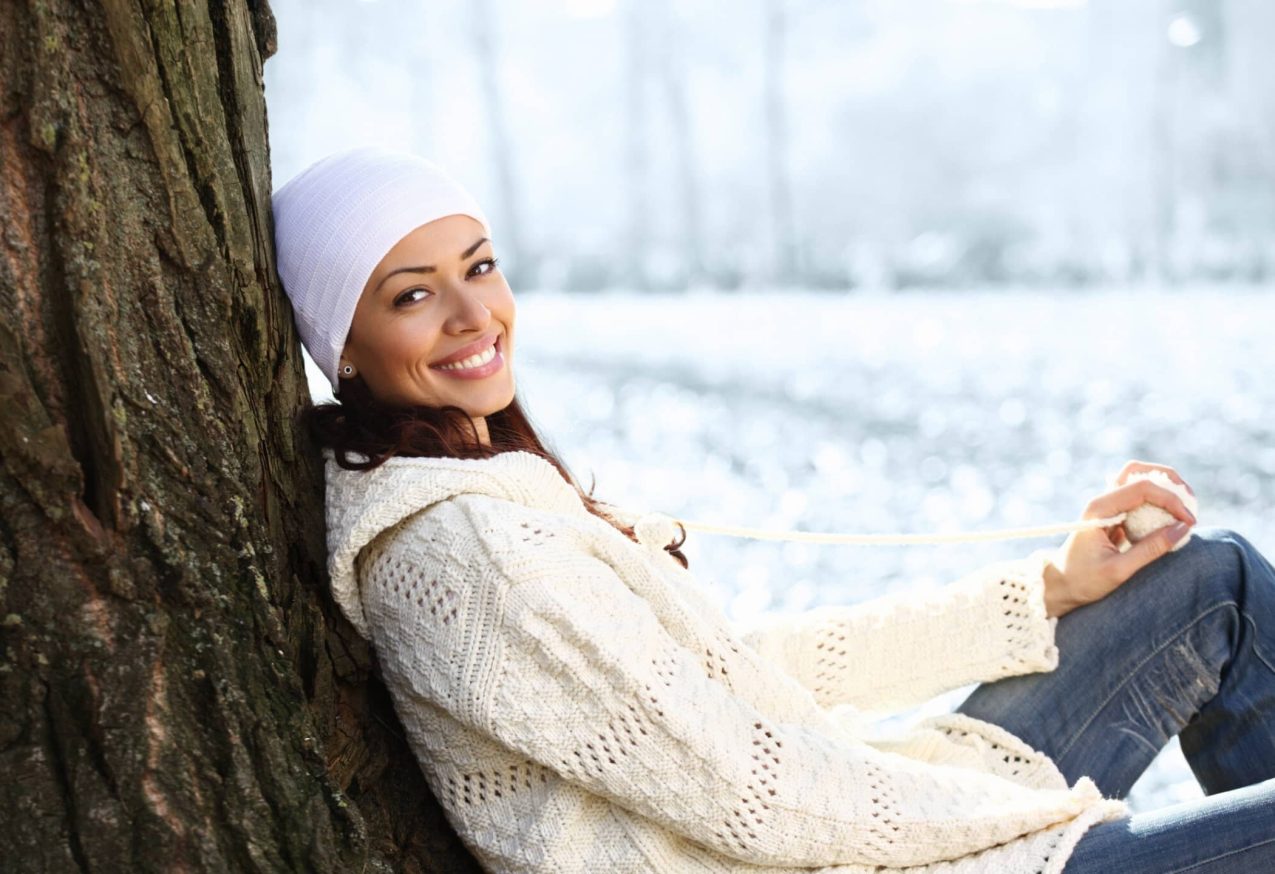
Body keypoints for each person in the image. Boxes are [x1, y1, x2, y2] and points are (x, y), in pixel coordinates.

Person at [270, 145, 1275, 873]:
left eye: (478, 267)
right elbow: (761, 795)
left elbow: (742, 682)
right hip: (848, 847)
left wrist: (1047, 591)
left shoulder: (491, 495)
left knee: (1209, 584)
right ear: (341, 343)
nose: (472, 314)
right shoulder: (471, 554)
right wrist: (1039, 824)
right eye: (411, 295)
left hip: (869, 825)